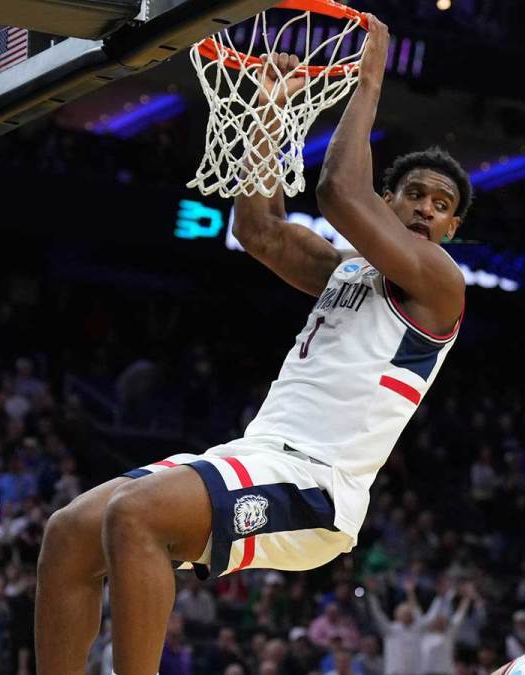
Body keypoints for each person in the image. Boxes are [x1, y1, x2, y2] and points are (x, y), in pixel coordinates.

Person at [36, 15, 473, 675]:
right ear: (391, 199)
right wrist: (269, 111)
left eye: (441, 205)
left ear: (451, 227)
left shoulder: (440, 285)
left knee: (135, 515)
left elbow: (336, 191)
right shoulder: (346, 271)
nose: (425, 209)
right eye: (414, 194)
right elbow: (259, 228)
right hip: (258, 454)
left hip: (319, 483)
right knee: (68, 532)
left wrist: (370, 79)